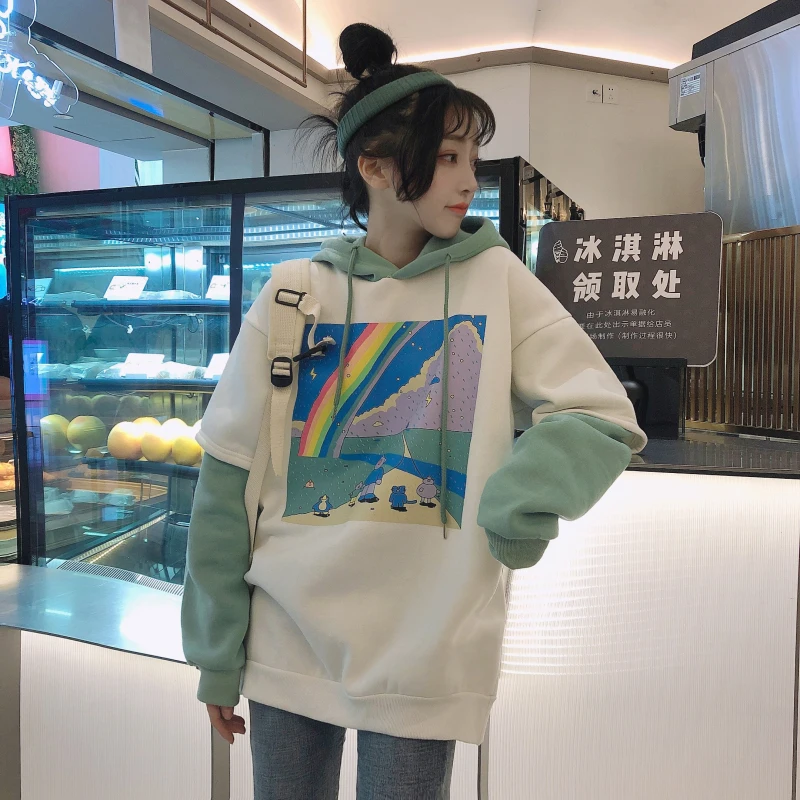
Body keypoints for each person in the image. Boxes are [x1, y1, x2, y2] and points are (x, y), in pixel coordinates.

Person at [181, 22, 646, 800]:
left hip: (428, 649)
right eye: (448, 157)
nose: (468, 179)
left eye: (472, 157)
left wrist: (520, 500)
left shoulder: (496, 279)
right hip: (287, 638)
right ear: (375, 166)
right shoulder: (293, 294)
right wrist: (216, 652)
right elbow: (227, 484)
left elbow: (601, 412)